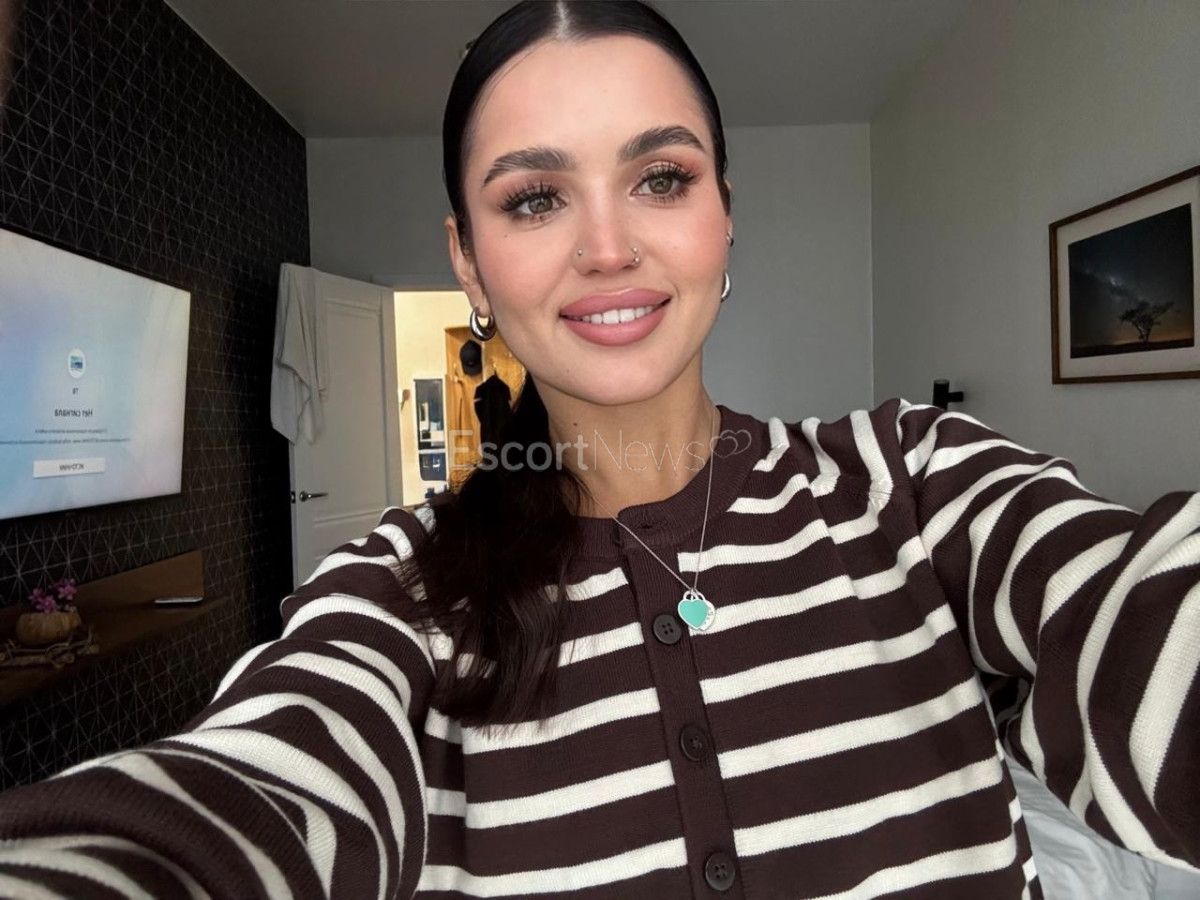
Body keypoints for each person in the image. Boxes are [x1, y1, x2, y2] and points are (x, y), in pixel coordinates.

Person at [1, 1, 1198, 898]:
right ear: (470, 263)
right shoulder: (399, 592)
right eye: (535, 198)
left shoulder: (912, 480)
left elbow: (1132, 612)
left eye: (661, 178)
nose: (609, 247)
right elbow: (253, 796)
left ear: (724, 214)